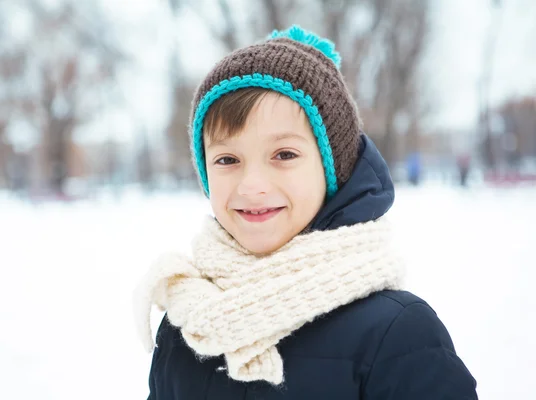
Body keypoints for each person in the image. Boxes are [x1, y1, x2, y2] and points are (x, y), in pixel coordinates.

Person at [136, 25, 477, 399]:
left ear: (333, 169)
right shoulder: (188, 322)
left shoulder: (396, 333)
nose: (252, 185)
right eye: (227, 159)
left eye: (284, 155)